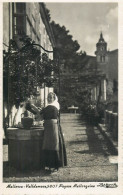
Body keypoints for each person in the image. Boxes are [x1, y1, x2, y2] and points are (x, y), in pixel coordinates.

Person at [29, 92, 67, 172]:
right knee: (47, 145)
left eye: (50, 97)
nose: (49, 99)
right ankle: (49, 165)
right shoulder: (48, 107)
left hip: (53, 127)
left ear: (54, 98)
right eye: (48, 97)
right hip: (48, 127)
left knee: (53, 145)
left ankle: (55, 165)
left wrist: (33, 107)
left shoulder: (54, 106)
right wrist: (32, 108)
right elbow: (41, 115)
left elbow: (41, 113)